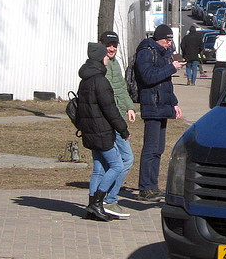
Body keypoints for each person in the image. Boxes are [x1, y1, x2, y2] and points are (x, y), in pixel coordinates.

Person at [75, 42, 130, 222]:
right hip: (101, 131)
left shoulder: (85, 79)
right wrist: (123, 130)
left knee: (99, 169)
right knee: (117, 166)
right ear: (100, 58)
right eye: (106, 56)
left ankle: (92, 207)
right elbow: (110, 109)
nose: (108, 58)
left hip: (89, 131)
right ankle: (98, 202)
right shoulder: (100, 81)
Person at [89, 30, 137, 218]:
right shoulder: (101, 68)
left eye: (114, 45)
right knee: (126, 160)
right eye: (108, 45)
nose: (112, 48)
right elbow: (106, 101)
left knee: (100, 167)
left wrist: (130, 107)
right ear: (100, 45)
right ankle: (110, 199)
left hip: (114, 119)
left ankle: (93, 206)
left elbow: (121, 90)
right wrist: (120, 126)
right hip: (109, 123)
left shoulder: (115, 64)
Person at [134, 24, 184, 201]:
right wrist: (172, 67)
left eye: (170, 40)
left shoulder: (163, 54)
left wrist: (174, 103)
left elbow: (166, 85)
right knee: (151, 148)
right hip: (152, 105)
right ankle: (145, 187)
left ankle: (153, 186)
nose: (168, 44)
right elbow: (148, 76)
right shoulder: (146, 51)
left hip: (162, 106)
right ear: (158, 38)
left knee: (159, 149)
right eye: (166, 40)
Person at [209, 28, 226, 108]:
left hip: (219, 55)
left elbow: (215, 47)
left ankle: (217, 74)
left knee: (218, 66)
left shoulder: (217, 39)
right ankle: (225, 74)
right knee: (225, 66)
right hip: (225, 55)